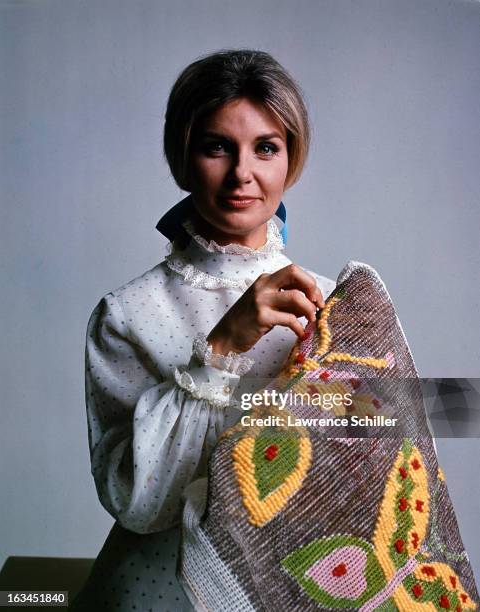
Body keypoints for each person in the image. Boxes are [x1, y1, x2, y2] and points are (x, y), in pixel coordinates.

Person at [71, 49, 336, 611]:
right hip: (160, 592)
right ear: (184, 158)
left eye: (266, 147)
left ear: (292, 160)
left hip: (297, 588)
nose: (243, 173)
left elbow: (374, 454)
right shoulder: (125, 313)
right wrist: (219, 349)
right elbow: (138, 504)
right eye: (218, 146)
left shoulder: (330, 298)